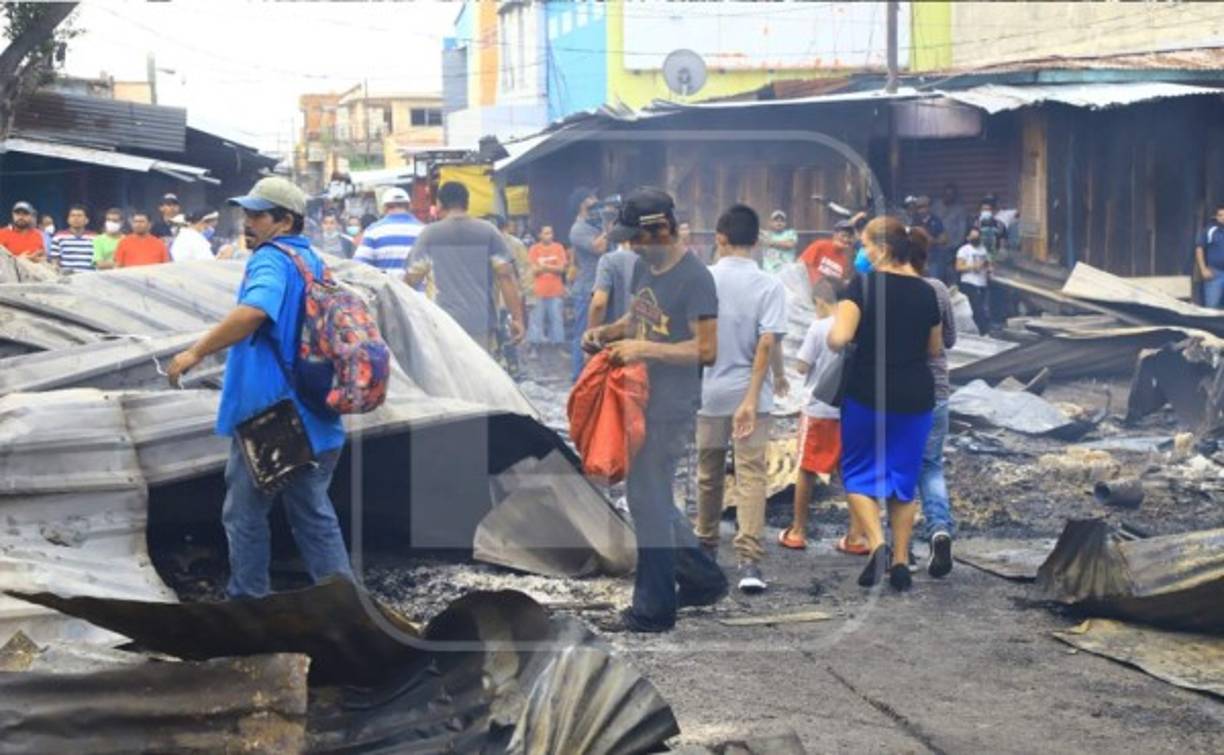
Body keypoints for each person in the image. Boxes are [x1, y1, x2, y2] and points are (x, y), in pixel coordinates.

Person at [165, 176, 351, 599]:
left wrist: (195, 352)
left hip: (274, 417)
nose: (247, 223)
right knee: (312, 513)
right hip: (315, 409)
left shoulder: (271, 259)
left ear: (285, 221)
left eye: (257, 215)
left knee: (244, 514)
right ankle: (345, 604)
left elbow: (253, 312)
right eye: (245, 213)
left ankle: (248, 602)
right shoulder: (314, 262)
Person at [581, 186, 727, 633]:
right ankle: (703, 580)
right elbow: (640, 316)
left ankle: (653, 609)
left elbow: (706, 349)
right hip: (639, 397)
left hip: (672, 404)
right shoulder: (645, 267)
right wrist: (607, 333)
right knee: (651, 497)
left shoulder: (696, 278)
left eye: (639, 238)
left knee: (647, 499)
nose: (632, 246)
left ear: (664, 227)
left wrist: (645, 348)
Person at [828, 217, 942, 591]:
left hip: (868, 393)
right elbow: (935, 349)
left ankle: (877, 543)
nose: (860, 253)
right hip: (915, 396)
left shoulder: (861, 285)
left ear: (883, 248)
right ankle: (901, 560)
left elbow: (839, 337)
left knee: (858, 473)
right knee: (903, 479)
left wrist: (837, 326)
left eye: (864, 245)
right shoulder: (927, 292)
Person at [694, 204, 788, 594]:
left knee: (708, 474)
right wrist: (764, 387)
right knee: (751, 477)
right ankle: (749, 561)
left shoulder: (702, 281)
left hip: (709, 395)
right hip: (753, 398)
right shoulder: (771, 285)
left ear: (720, 238)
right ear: (758, 240)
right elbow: (769, 341)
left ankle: (705, 551)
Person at [405, 182, 525, 351]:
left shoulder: (430, 234)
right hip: (481, 322)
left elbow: (411, 278)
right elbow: (506, 276)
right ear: (467, 203)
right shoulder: (488, 231)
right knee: (480, 374)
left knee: (449, 375)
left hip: (442, 322)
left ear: (439, 204)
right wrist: (517, 318)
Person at [779, 280, 844, 551]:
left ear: (819, 302)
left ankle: (798, 530)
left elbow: (803, 366)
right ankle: (857, 535)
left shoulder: (819, 327)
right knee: (848, 471)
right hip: (846, 409)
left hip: (817, 407)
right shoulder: (855, 326)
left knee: (806, 468)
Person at [917, 251, 958, 579]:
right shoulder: (939, 289)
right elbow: (951, 339)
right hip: (938, 389)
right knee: (931, 466)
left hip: (900, 392)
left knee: (896, 467)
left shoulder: (887, 289)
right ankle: (940, 528)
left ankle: (893, 547)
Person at [568, 187, 609, 380]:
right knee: (583, 333)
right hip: (586, 289)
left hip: (600, 287)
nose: (596, 200)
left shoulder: (595, 225)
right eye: (592, 198)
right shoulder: (578, 229)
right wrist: (610, 227)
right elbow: (599, 247)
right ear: (583, 203)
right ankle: (578, 376)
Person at [354, 187, 423, 275]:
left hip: (386, 288)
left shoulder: (373, 231)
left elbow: (359, 266)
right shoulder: (424, 230)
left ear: (384, 208)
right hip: (416, 289)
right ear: (410, 206)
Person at [526, 225, 568, 350]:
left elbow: (562, 269)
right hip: (538, 291)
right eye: (546, 233)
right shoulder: (534, 249)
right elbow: (532, 270)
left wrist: (544, 267)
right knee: (535, 321)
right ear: (540, 235)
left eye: (550, 232)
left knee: (557, 320)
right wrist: (552, 268)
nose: (549, 235)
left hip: (555, 291)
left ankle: (558, 346)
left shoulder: (559, 247)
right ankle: (534, 346)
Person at [588, 238, 638, 329]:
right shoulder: (658, 261)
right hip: (650, 337)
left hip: (617, 335)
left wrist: (591, 332)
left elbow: (599, 303)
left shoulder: (609, 260)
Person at [798, 221, 855, 291]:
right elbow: (800, 264)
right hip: (807, 290)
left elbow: (838, 285)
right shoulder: (820, 245)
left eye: (849, 237)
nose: (846, 239)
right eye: (843, 235)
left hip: (824, 298)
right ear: (835, 235)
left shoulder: (843, 261)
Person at [956, 227, 991, 334]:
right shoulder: (964, 250)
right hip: (969, 282)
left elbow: (988, 263)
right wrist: (973, 266)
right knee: (976, 308)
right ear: (968, 237)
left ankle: (982, 330)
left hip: (982, 282)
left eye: (977, 236)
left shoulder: (983, 249)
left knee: (983, 307)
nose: (976, 238)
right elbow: (958, 267)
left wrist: (989, 268)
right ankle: (982, 331)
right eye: (973, 236)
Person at [933, 182, 969, 280]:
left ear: (955, 196)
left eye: (951, 195)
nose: (948, 197)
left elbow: (962, 230)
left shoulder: (960, 210)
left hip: (952, 249)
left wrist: (956, 246)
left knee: (951, 277)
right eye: (946, 194)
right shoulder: (935, 207)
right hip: (936, 249)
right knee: (937, 276)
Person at [909, 196, 947, 281]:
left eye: (923, 206)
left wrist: (932, 240)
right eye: (919, 207)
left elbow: (944, 239)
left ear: (929, 207)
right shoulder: (915, 221)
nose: (921, 210)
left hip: (933, 258)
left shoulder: (936, 220)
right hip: (918, 258)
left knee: (934, 282)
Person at [50, 205, 96, 272]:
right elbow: (55, 261)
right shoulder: (58, 237)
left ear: (87, 220)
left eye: (79, 216)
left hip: (90, 277)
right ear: (68, 220)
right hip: (68, 278)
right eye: (72, 215)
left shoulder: (95, 238)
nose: (76, 218)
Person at [1195, 204, 1224, 308]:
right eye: (1220, 215)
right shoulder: (1210, 231)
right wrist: (1203, 269)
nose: (1223, 218)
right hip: (1215, 273)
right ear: (1216, 217)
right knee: (1211, 307)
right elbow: (1199, 249)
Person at [760, 209, 797, 274]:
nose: (779, 222)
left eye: (782, 221)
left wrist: (772, 243)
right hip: (768, 273)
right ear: (770, 223)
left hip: (786, 272)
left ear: (785, 223)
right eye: (776, 220)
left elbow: (790, 245)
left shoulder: (790, 233)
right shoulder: (766, 234)